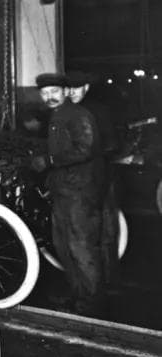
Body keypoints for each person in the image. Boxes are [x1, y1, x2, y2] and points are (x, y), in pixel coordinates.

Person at [30, 73, 106, 316]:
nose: (50, 97)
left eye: (55, 91)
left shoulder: (78, 115)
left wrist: (50, 160)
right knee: (64, 247)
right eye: (45, 93)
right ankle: (79, 297)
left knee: (81, 248)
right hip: (64, 192)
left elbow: (86, 148)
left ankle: (92, 305)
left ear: (65, 92)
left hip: (79, 193)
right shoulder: (57, 116)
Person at [67, 70, 121, 287]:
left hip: (101, 179)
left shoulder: (98, 111)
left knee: (103, 233)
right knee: (94, 235)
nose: (72, 92)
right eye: (68, 89)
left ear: (86, 88)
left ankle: (106, 286)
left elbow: (111, 144)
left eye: (77, 88)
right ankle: (103, 285)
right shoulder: (69, 111)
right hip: (88, 180)